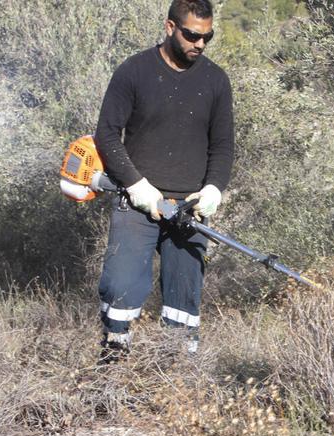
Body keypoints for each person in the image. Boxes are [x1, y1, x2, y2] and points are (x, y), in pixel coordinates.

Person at [93, 0, 234, 361]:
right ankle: (112, 366)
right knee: (120, 287)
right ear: (170, 27)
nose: (199, 44)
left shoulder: (216, 81)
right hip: (137, 203)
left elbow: (223, 146)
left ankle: (177, 373)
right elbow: (107, 134)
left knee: (184, 299)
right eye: (192, 35)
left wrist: (213, 188)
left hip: (190, 209)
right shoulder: (134, 71)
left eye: (207, 37)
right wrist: (137, 186)